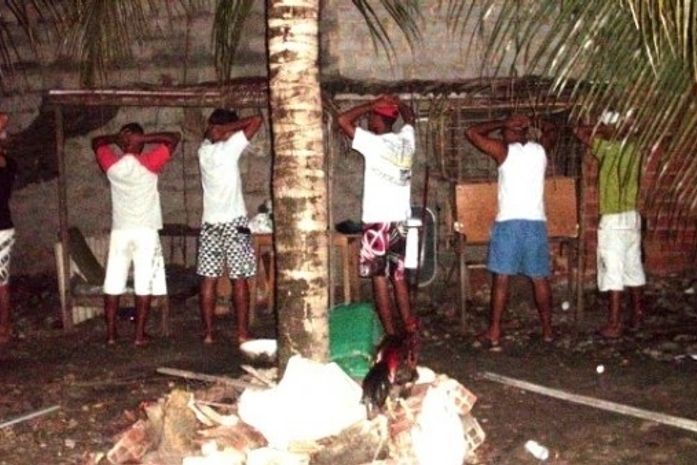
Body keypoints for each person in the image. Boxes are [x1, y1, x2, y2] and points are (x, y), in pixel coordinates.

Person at [465, 114, 557, 349]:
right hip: (535, 223)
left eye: (504, 131)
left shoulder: (504, 151)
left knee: (502, 279)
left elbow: (472, 132)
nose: (502, 135)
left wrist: (501, 121)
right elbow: (552, 130)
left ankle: (494, 331)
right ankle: (548, 331)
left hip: (509, 224)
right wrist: (532, 120)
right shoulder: (540, 150)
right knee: (539, 279)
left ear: (510, 132)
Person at [92, 124, 180, 346]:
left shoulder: (113, 165)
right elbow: (174, 137)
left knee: (113, 283)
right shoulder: (149, 163)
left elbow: (96, 143)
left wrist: (117, 137)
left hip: (121, 232)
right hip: (145, 232)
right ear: (140, 144)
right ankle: (139, 335)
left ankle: (111, 335)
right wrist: (142, 138)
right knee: (144, 283)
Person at [336, 95, 417, 336]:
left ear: (378, 120)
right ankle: (409, 328)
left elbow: (342, 120)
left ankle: (391, 334)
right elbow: (410, 118)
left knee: (379, 278)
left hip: (377, 221)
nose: (369, 120)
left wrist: (370, 105)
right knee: (398, 277)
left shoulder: (372, 143)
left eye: (371, 116)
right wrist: (398, 102)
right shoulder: (406, 140)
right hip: (400, 220)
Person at [574, 111, 645, 338]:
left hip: (613, 219)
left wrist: (600, 128)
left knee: (613, 272)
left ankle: (614, 324)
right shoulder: (635, 147)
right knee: (633, 268)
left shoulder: (608, 148)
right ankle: (637, 317)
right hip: (632, 216)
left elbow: (579, 132)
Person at [196, 109, 262, 344]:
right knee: (240, 277)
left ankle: (208, 334)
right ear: (225, 129)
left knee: (209, 279)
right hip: (237, 222)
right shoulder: (229, 147)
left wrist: (218, 129)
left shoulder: (203, 150)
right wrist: (227, 129)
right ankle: (242, 333)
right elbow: (257, 120)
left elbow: (208, 136)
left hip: (209, 223)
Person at [0, 113, 15, 344]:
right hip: (3, 228)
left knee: (1, 282)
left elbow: (3, 116)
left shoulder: (8, 164)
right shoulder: (9, 163)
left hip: (1, 229)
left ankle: (4, 327)